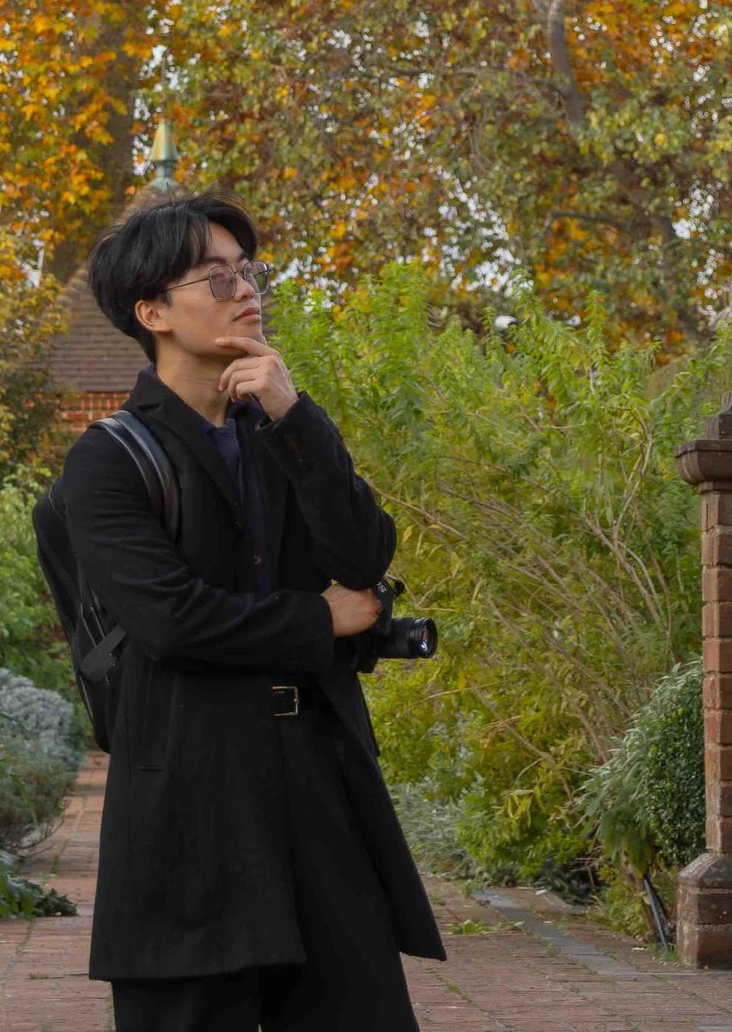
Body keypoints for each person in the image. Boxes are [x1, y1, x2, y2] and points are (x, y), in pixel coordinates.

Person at [41, 193, 443, 1031]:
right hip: (190, 796)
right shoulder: (110, 460)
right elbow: (172, 620)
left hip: (317, 785)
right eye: (214, 275)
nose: (244, 288)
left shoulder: (280, 433)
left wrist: (299, 416)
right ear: (152, 311)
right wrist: (316, 621)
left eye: (248, 269)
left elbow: (365, 555)